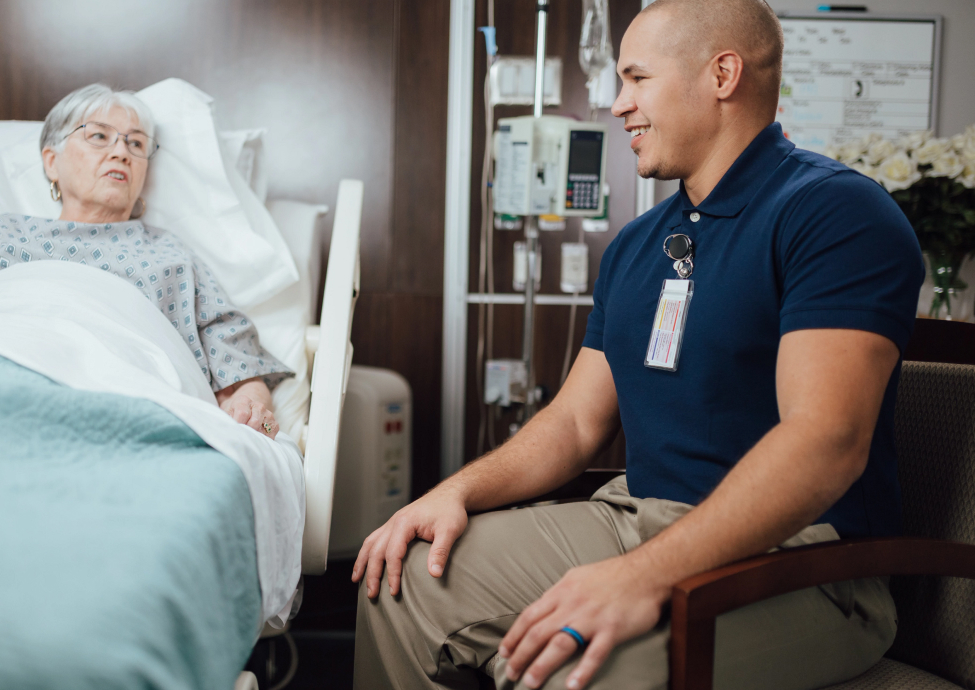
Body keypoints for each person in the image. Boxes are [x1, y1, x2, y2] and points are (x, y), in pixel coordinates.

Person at [352, 0, 924, 688]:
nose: (617, 105)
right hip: (631, 516)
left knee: (570, 669)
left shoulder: (833, 213)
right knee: (400, 576)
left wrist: (641, 577)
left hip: (807, 564)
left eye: (637, 79)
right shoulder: (636, 245)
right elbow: (574, 422)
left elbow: (825, 440)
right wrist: (455, 492)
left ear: (721, 74)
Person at [0, 84, 290, 438]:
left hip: (118, 408)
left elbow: (237, 364)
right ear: (51, 162)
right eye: (99, 135)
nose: (121, 151)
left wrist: (252, 408)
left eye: (136, 144)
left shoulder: (170, 256)